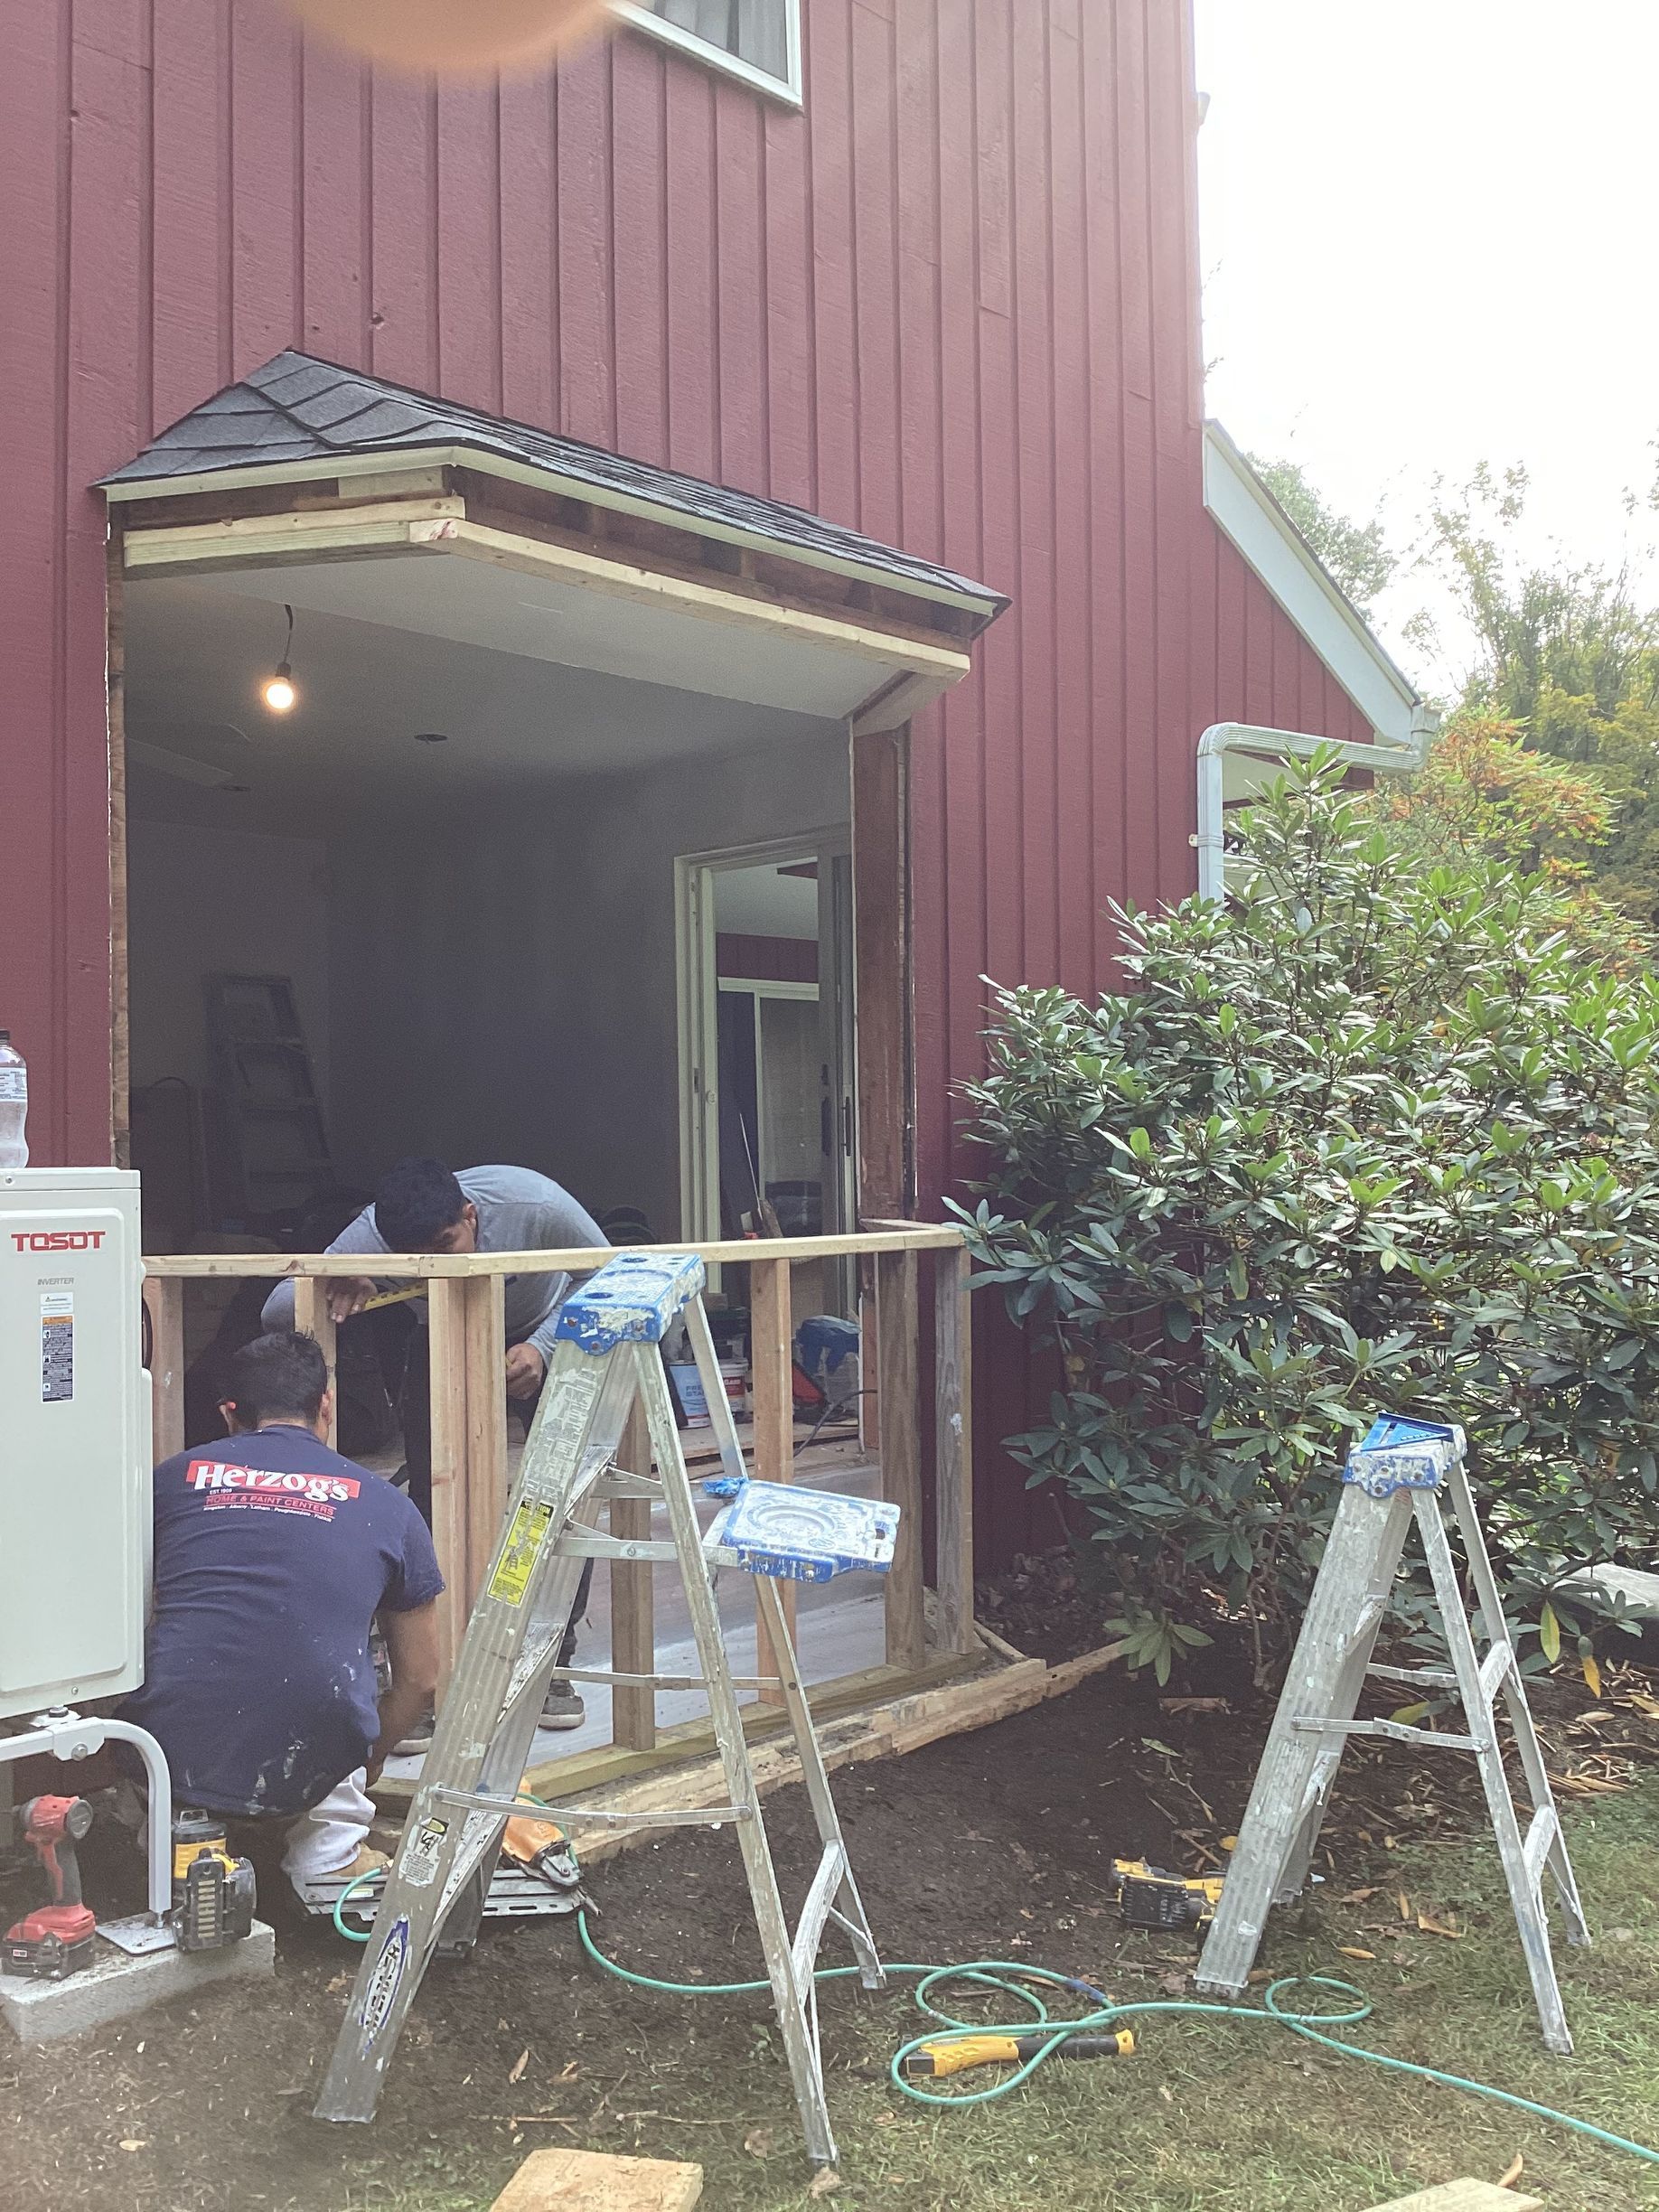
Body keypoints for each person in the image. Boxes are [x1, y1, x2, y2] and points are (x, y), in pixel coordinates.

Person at [262, 1158, 608, 1738]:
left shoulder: (536, 1205)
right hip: (443, 1337)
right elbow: (278, 1306)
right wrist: (347, 1284)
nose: (440, 1262)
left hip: (545, 1331)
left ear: (470, 1216)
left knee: (559, 1502)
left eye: (446, 1244)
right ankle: (426, 1673)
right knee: (426, 1509)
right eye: (420, 1255)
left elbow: (611, 1272)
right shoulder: (372, 1235)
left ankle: (550, 1666)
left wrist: (547, 1347)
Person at [117, 1332, 443, 1902]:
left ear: (228, 1414)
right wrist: (368, 1758)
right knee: (334, 1710)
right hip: (315, 1741)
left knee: (159, 1690)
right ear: (326, 1405)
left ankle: (177, 1842)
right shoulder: (389, 1505)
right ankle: (329, 1855)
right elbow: (421, 1677)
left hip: (174, 1743)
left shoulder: (166, 1483)